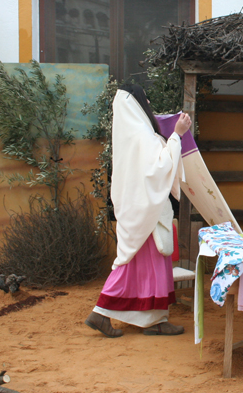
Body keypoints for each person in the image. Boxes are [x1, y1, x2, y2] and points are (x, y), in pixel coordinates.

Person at [84, 84, 192, 337]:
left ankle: (154, 320)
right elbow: (160, 166)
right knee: (132, 266)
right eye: (146, 100)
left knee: (149, 267)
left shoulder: (131, 135)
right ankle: (100, 313)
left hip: (142, 212)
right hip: (146, 215)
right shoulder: (140, 135)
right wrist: (177, 135)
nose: (149, 105)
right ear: (137, 104)